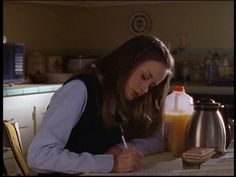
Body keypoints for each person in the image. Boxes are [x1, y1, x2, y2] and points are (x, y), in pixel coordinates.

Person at [27, 35, 175, 175]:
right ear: (126, 63)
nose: (144, 89)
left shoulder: (122, 96)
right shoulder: (79, 90)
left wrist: (119, 149)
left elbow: (157, 140)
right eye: (144, 77)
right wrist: (110, 163)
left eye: (152, 85)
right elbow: (39, 156)